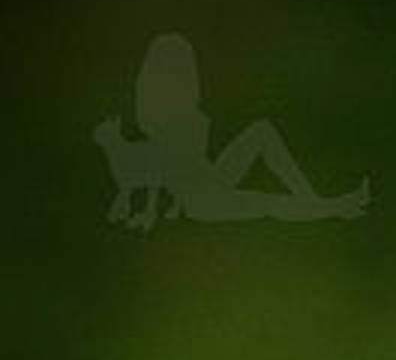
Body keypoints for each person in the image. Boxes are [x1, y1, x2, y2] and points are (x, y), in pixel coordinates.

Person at [95, 33, 368, 230]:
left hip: (212, 181)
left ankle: (322, 203)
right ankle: (329, 206)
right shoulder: (163, 126)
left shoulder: (181, 119)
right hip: (203, 199)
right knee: (269, 204)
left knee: (263, 133)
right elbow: (160, 177)